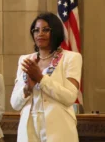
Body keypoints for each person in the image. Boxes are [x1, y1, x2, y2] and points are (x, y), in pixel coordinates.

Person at [10, 12, 82, 142]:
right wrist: (27, 89)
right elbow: (14, 104)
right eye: (36, 30)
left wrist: (41, 79)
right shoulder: (25, 60)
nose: (40, 34)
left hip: (59, 128)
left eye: (46, 30)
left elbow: (70, 97)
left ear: (56, 31)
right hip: (29, 129)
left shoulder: (71, 58)